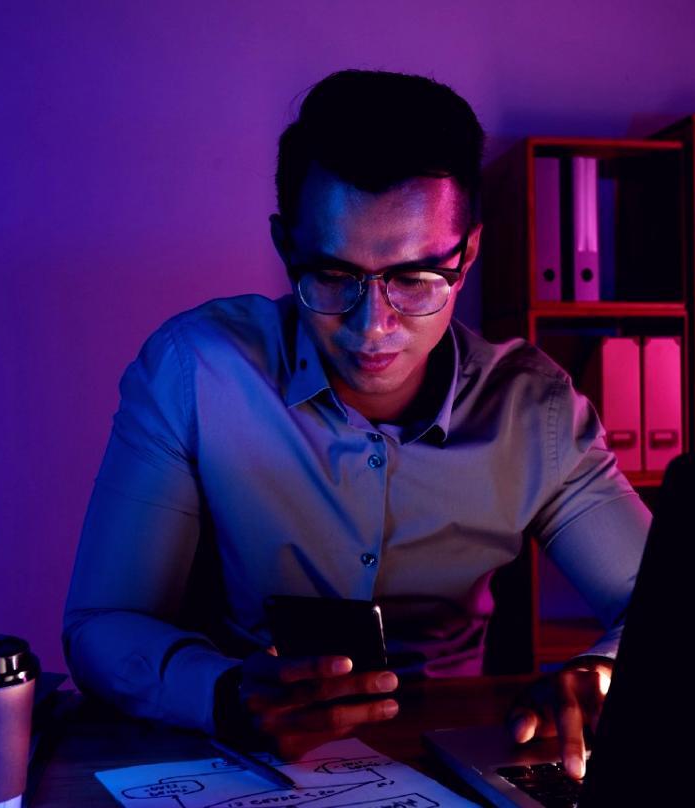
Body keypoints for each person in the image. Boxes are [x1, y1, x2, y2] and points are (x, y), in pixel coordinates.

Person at [62, 69, 651, 779]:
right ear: (287, 246)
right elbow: (103, 624)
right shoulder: (196, 373)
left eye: (416, 279)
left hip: (454, 752)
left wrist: (602, 670)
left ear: (467, 255)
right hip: (246, 759)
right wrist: (223, 694)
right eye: (335, 276)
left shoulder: (537, 411)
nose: (373, 327)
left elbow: (672, 604)